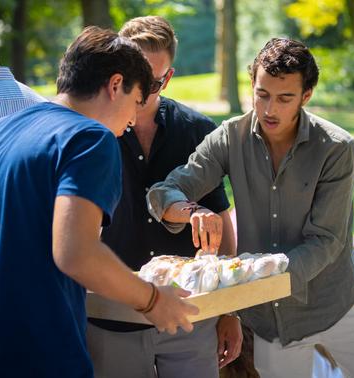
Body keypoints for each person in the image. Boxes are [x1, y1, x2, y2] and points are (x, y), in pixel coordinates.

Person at [147, 37, 354, 378]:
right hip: (271, 321)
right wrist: (191, 211)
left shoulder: (337, 148)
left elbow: (326, 240)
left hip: (338, 304)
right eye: (262, 94)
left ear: (306, 96)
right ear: (252, 84)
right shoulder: (229, 137)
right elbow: (166, 191)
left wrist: (262, 279)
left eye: (285, 99)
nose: (270, 110)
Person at [0, 26, 198, 378]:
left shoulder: (9, 127)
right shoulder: (90, 138)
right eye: (137, 102)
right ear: (115, 84)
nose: (134, 119)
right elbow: (77, 252)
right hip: (42, 350)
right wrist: (153, 300)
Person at [86, 16, 241, 378]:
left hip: (190, 316)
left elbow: (222, 217)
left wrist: (229, 310)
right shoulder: (93, 134)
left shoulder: (198, 130)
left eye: (153, 81)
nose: (142, 91)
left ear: (169, 77)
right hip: (113, 320)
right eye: (134, 78)